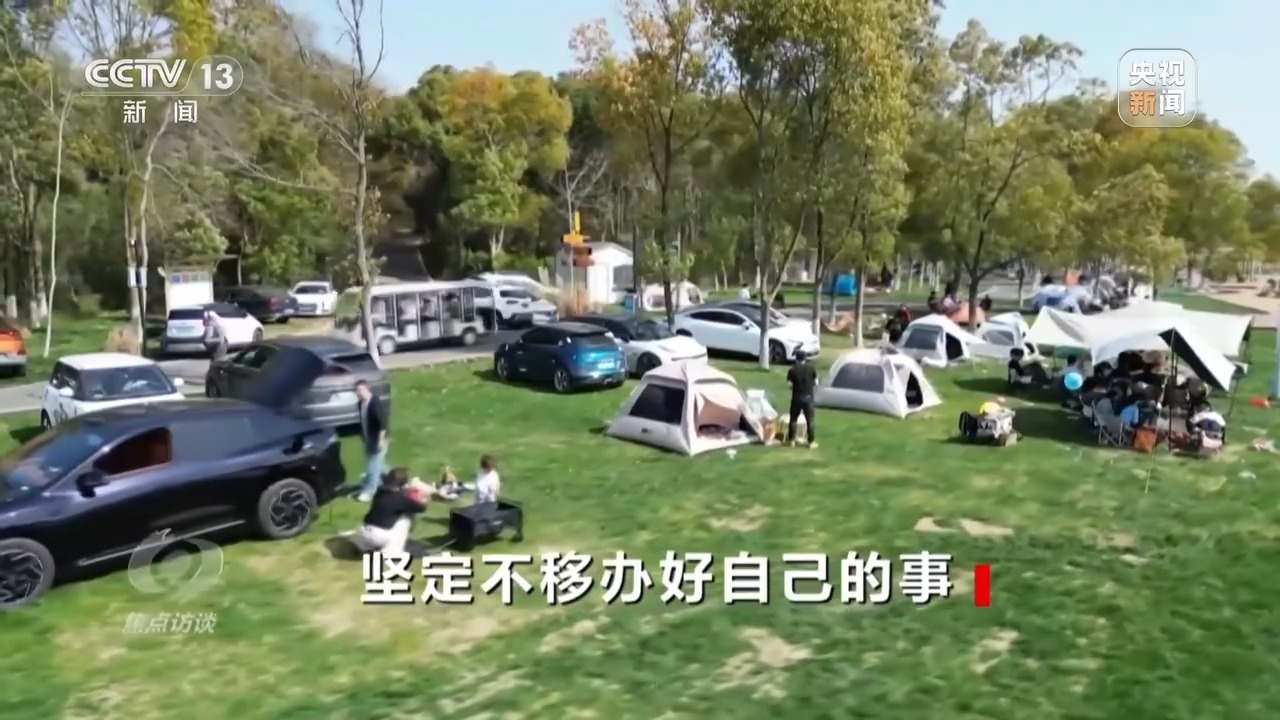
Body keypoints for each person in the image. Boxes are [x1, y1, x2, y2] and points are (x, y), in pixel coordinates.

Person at [357, 468, 427, 556]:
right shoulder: (400, 498)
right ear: (403, 483)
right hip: (379, 536)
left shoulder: (379, 491)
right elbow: (421, 508)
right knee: (406, 519)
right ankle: (391, 551)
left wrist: (405, 490)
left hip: (364, 533)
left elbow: (393, 494)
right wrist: (423, 493)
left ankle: (366, 547)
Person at [355, 380, 390, 502]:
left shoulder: (375, 403)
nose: (358, 393)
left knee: (373, 466)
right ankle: (394, 479)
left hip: (378, 439)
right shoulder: (360, 404)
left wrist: (381, 440)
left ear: (367, 389)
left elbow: (382, 423)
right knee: (379, 465)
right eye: (356, 391)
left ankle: (370, 491)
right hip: (369, 438)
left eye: (360, 390)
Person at [785, 350, 818, 448]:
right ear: (805, 358)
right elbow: (816, 382)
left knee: (793, 419)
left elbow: (789, 385)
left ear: (796, 359)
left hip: (796, 398)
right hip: (808, 398)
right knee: (810, 421)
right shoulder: (811, 368)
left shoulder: (792, 370)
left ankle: (792, 441)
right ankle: (811, 442)